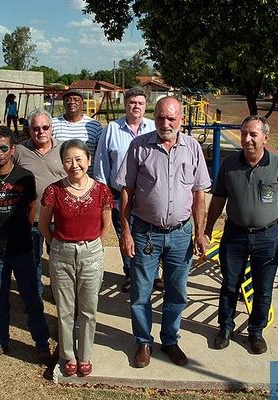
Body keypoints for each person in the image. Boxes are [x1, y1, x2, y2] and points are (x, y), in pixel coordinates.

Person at [115, 96, 210, 368]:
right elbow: (126, 191)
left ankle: (169, 340)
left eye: (171, 118)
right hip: (145, 233)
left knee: (177, 291)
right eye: (160, 118)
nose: (165, 123)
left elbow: (199, 194)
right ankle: (143, 341)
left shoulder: (192, 148)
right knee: (141, 292)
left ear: (181, 119)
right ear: (153, 117)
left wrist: (200, 233)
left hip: (181, 234)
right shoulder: (139, 147)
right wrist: (126, 231)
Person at [202, 115, 278, 354]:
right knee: (230, 285)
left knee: (263, 287)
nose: (247, 139)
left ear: (265, 138)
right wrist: (206, 231)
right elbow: (218, 201)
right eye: (244, 133)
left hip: (267, 237)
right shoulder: (229, 164)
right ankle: (225, 328)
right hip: (234, 236)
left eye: (253, 134)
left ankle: (255, 332)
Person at [0, 125, 50, 364]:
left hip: (22, 249)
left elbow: (31, 207)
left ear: (13, 149)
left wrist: (24, 231)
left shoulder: (24, 177)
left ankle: (42, 344)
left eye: (4, 147)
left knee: (31, 299)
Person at [39, 139, 113, 378]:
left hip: (91, 253)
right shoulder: (54, 190)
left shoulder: (102, 190)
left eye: (79, 159)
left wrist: (93, 246)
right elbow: (43, 224)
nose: (74, 165)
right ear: (62, 163)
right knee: (65, 309)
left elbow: (106, 224)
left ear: (89, 160)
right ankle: (68, 355)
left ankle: (86, 355)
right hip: (61, 254)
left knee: (89, 309)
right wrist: (57, 243)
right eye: (68, 160)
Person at [94, 87, 162, 293]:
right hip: (119, 194)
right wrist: (105, 194)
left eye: (140, 103)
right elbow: (101, 164)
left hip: (147, 195)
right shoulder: (112, 130)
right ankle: (131, 274)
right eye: (132, 103)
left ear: (146, 106)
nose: (136, 107)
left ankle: (154, 275)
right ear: (125, 105)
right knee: (126, 233)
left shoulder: (154, 127)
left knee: (149, 235)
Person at [14, 109, 66, 296]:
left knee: (58, 258)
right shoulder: (19, 151)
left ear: (52, 128)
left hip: (59, 217)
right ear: (29, 130)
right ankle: (34, 293)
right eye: (36, 128)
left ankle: (58, 292)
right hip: (31, 218)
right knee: (32, 259)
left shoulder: (64, 149)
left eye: (45, 127)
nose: (41, 132)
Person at [51, 89, 102, 177]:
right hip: (60, 179)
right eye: (68, 99)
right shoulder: (53, 124)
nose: (72, 102)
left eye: (76, 99)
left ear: (82, 103)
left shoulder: (94, 125)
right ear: (63, 103)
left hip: (87, 179)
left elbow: (101, 153)